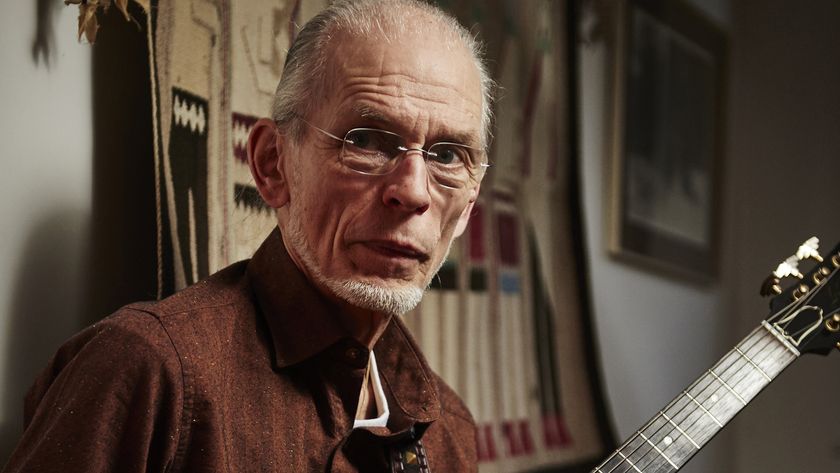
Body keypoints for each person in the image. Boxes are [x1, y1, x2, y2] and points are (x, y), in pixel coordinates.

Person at [2, 0, 493, 471]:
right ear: (271, 164)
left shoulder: (448, 431)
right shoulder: (149, 371)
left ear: (469, 204)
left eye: (448, 157)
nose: (411, 192)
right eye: (363, 140)